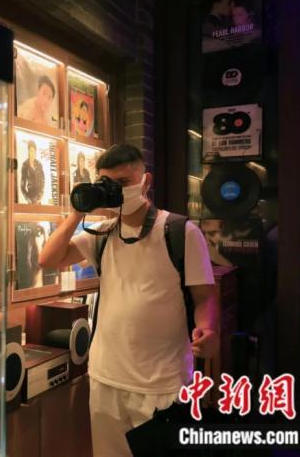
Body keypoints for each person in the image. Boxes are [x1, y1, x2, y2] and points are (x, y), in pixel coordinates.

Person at [38, 144, 218, 457]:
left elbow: (204, 296)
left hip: (162, 383)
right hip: (106, 377)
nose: (116, 191)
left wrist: (209, 328)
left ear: (146, 181)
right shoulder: (103, 233)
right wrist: (80, 208)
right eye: (107, 184)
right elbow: (48, 258)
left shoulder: (180, 232)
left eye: (123, 183)